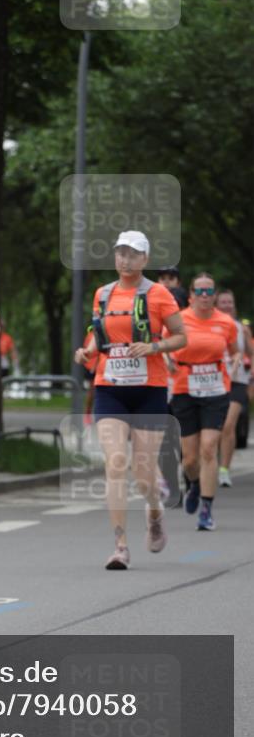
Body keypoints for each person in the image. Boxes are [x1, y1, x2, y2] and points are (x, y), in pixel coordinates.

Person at [74, 230, 186, 570]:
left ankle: (154, 512)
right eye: (121, 252)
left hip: (148, 390)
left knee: (143, 474)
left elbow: (181, 336)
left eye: (133, 253)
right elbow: (100, 334)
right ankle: (120, 545)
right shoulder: (103, 294)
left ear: (145, 259)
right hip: (110, 387)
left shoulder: (159, 294)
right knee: (115, 463)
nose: (125, 259)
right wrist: (87, 351)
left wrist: (153, 347)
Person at [169, 274, 240, 532]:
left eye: (209, 291)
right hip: (184, 387)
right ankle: (195, 484)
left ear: (214, 294)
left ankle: (207, 509)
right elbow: (163, 345)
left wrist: (235, 361)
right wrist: (166, 359)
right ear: (190, 294)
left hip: (215, 388)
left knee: (209, 448)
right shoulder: (179, 320)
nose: (205, 295)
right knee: (189, 459)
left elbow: (234, 351)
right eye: (199, 291)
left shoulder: (226, 323)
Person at [214, 289, 252, 487]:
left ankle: (224, 470)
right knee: (214, 427)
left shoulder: (240, 328)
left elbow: (251, 354)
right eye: (223, 302)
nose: (227, 305)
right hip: (214, 382)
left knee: (229, 425)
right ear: (216, 305)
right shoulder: (210, 326)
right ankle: (211, 462)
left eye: (230, 302)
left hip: (237, 381)